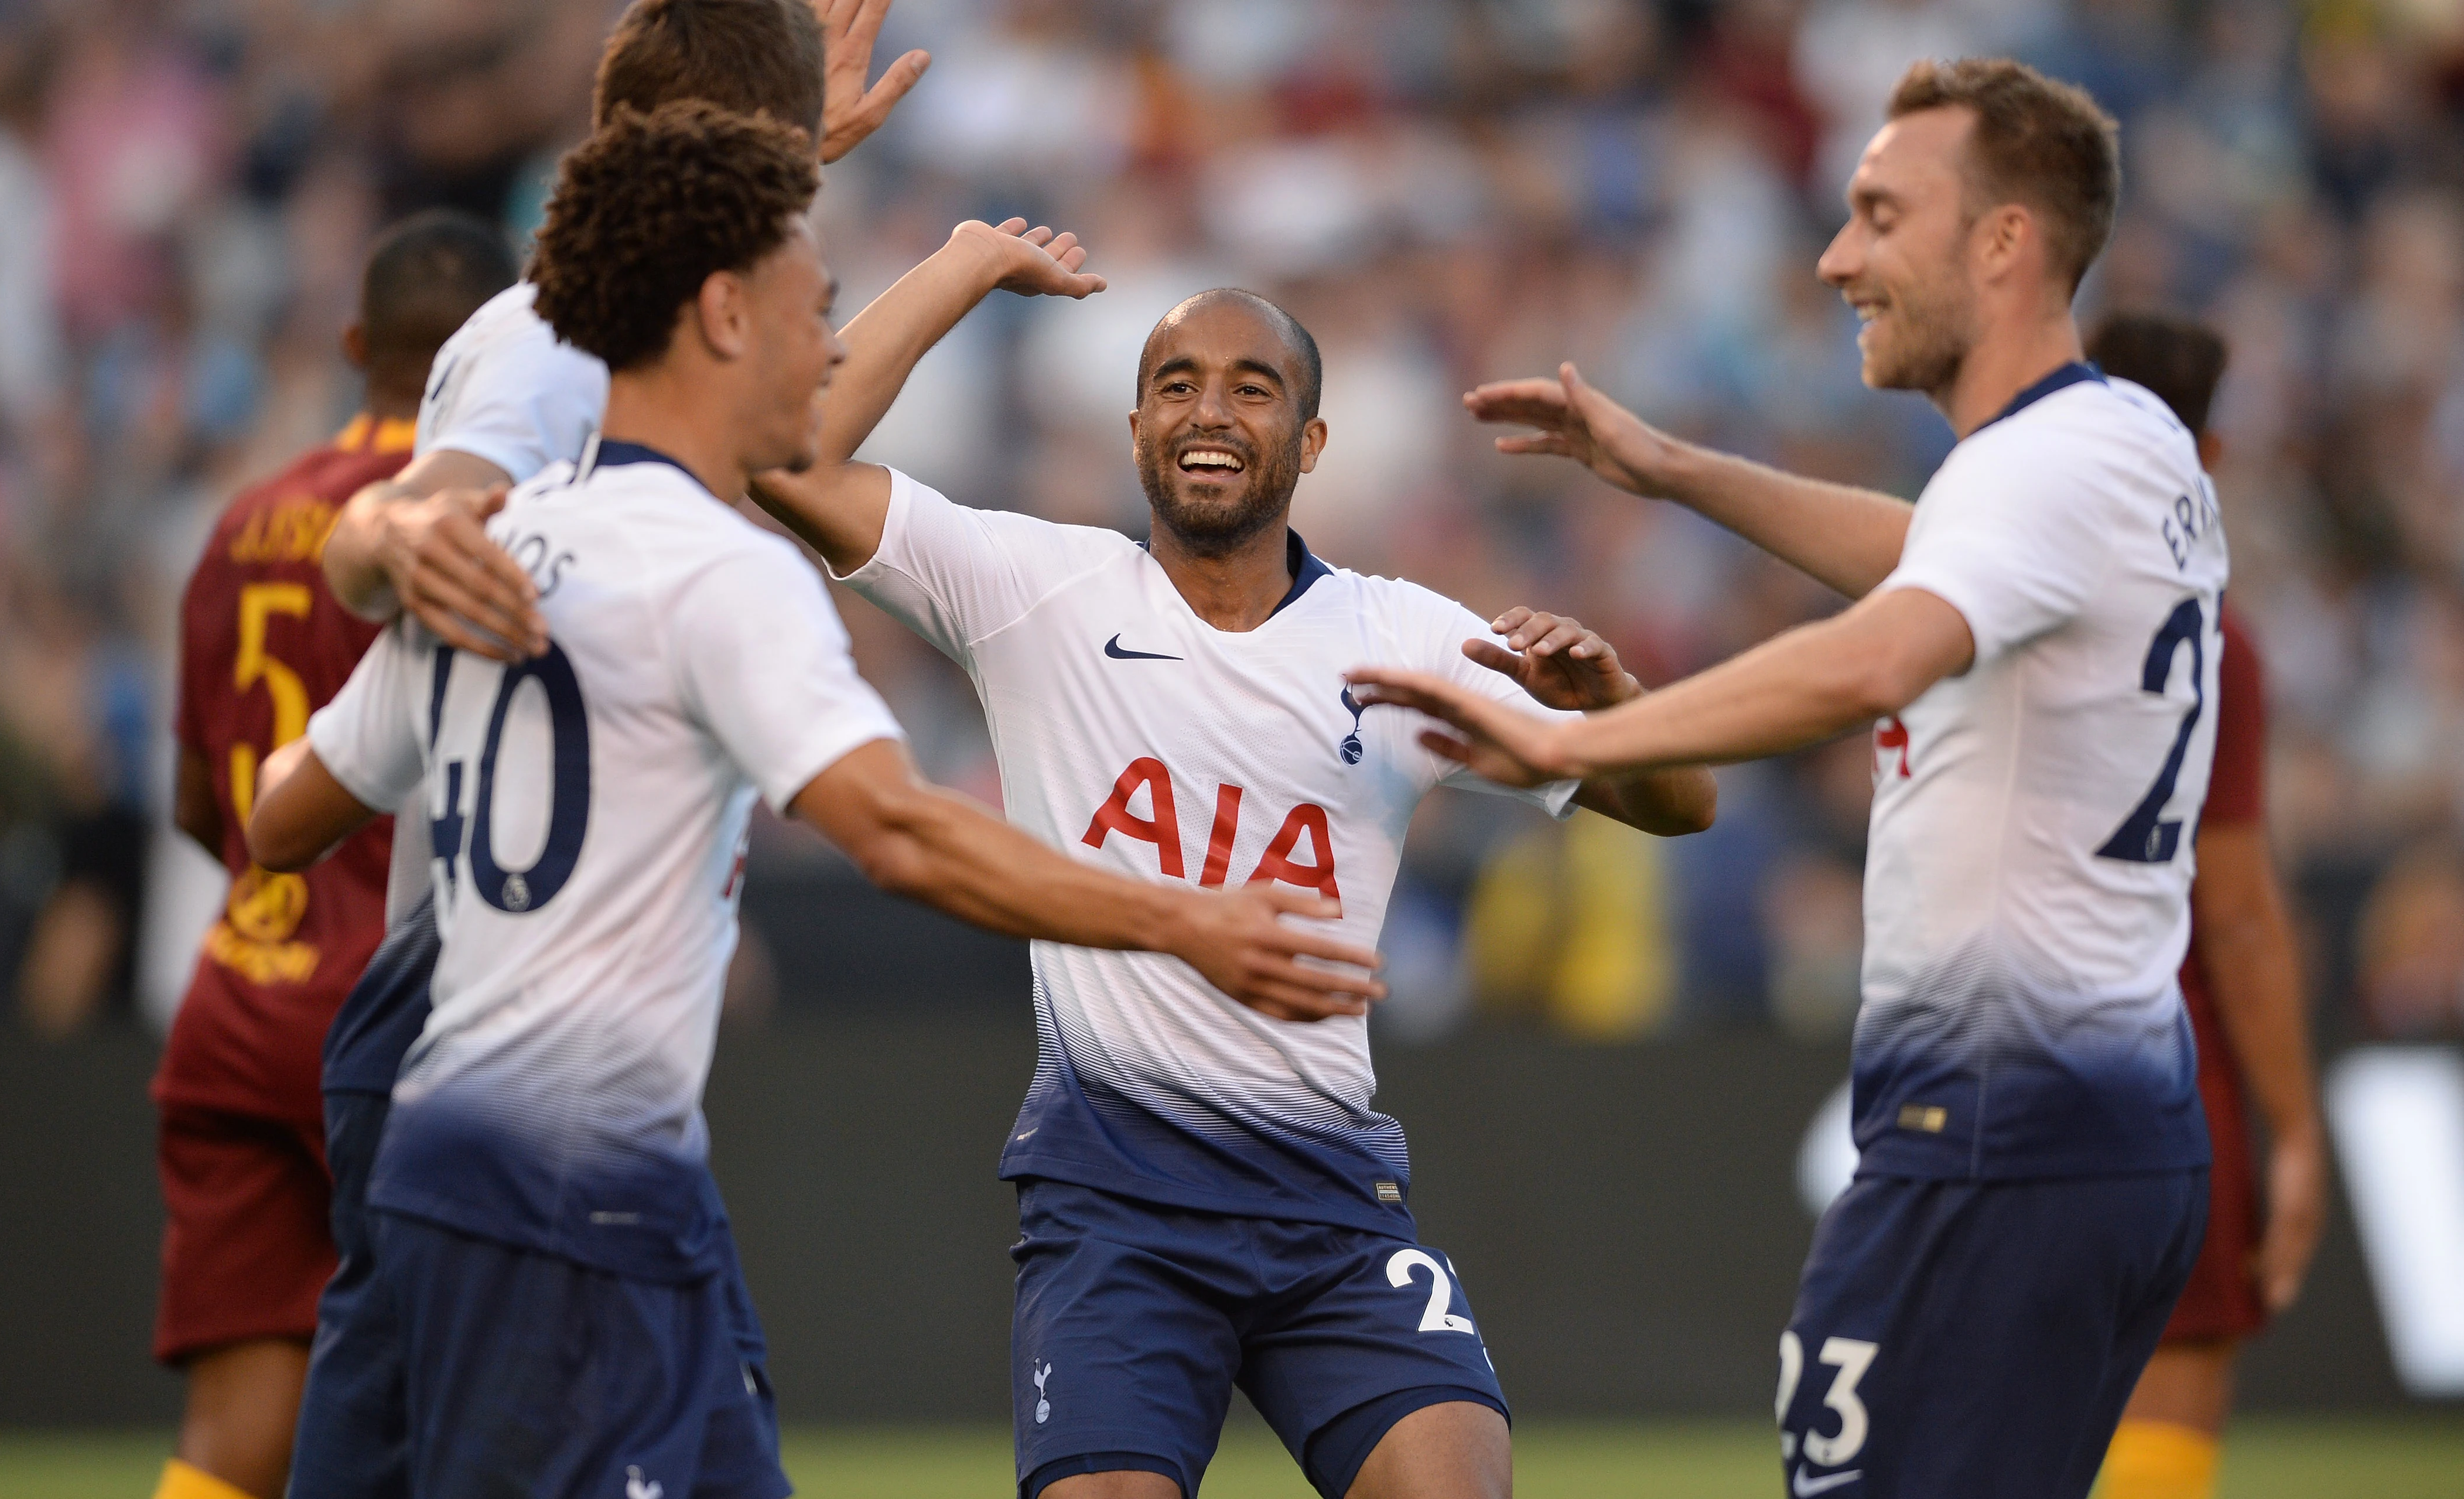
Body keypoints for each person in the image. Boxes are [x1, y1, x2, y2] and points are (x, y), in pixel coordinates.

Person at [249, 102, 1382, 1499]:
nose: (829, 351)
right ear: (726, 317)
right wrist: (1181, 920)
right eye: (819, 313)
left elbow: (284, 815)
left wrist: (388, 557)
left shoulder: (498, 537)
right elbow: (897, 827)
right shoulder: (719, 573)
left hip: (449, 1150)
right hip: (568, 1185)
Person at [1349, 59, 2223, 1498]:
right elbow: (1932, 548)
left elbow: (1880, 654)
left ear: (2004, 239)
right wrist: (1674, 468)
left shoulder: (2041, 470)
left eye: (1882, 213)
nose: (1837, 256)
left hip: (1994, 1135)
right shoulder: (2130, 440)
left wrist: (1576, 742)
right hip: (2113, 1125)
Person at [746, 225, 1717, 1495]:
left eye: (1252, 387)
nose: (1210, 410)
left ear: (1311, 444)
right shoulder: (1039, 591)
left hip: (1328, 1205)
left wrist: (1618, 700)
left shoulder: (1404, 637)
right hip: (1116, 1215)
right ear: (1137, 425)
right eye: (1177, 383)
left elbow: (1680, 801)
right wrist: (966, 266)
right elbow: (788, 456)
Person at [286, 6, 925, 1495]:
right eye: (774, 178)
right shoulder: (547, 343)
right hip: (493, 1006)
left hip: (542, 1017)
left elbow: (789, 439)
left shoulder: (621, 348)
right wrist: (395, 537)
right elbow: (414, 511)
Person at [148, 209, 512, 1499]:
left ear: (357, 342)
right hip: (400, 1020)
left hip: (236, 998)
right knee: (475, 1413)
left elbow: (206, 799)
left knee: (235, 1440)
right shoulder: (483, 519)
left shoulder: (241, 522)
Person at [2086, 313, 2326, 1499]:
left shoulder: (1974, 594)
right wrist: (2298, 1132)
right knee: (2168, 1417)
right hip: (2167, 1065)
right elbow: (2235, 911)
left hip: (1987, 1055)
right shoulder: (2211, 638)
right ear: (2210, 454)